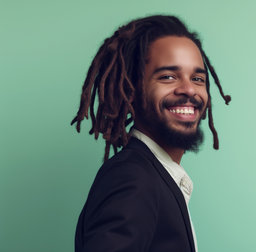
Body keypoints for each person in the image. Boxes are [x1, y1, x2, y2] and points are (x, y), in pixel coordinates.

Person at [71, 15, 230, 252]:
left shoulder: (156, 175)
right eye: (168, 76)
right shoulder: (132, 178)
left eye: (197, 79)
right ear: (131, 90)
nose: (189, 89)